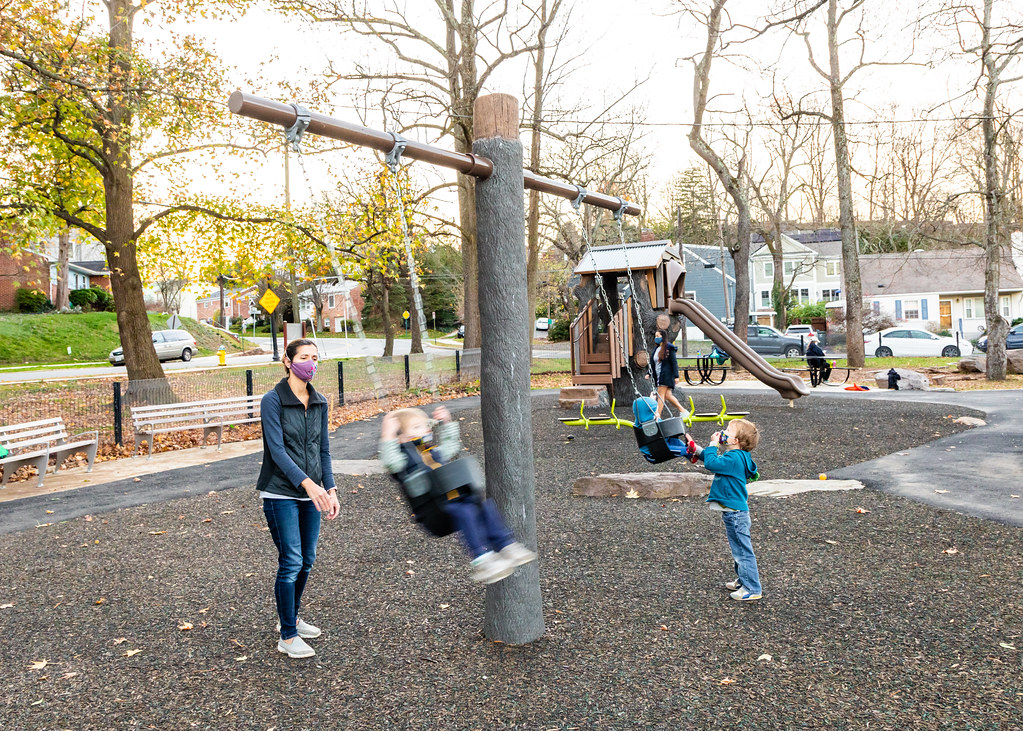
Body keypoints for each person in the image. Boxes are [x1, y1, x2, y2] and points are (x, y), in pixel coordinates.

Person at [379, 406, 537, 584]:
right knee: (466, 513)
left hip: (455, 499)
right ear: (400, 437)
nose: (425, 430)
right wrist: (387, 435)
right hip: (434, 512)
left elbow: (451, 446)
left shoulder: (432, 451)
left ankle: (506, 545)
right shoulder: (402, 459)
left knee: (484, 505)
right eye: (416, 427)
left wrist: (447, 423)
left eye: (425, 426)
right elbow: (390, 461)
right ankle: (483, 559)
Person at [256, 338, 340, 659]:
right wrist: (309, 484)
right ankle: (287, 635)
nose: (311, 362)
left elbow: (323, 450)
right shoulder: (273, 401)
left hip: (313, 492)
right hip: (280, 492)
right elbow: (276, 451)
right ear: (288, 361)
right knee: (291, 561)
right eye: (304, 357)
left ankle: (289, 618)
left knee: (307, 560)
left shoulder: (319, 402)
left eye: (315, 357)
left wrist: (329, 488)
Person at [689, 419, 763, 602]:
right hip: (736, 512)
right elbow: (712, 459)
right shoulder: (739, 457)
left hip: (735, 514)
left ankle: (752, 588)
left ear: (736, 440)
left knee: (742, 551)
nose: (723, 432)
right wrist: (696, 449)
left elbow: (712, 464)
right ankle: (743, 580)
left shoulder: (733, 458)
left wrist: (713, 444)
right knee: (738, 548)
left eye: (728, 431)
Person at [650, 330, 685, 419]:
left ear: (663, 337)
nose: (656, 338)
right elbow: (653, 363)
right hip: (659, 375)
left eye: (658, 336)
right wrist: (648, 373)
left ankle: (658, 415)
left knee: (660, 395)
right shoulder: (657, 349)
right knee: (667, 395)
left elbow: (674, 362)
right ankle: (683, 411)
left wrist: (676, 376)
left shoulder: (669, 348)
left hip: (666, 376)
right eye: (655, 336)